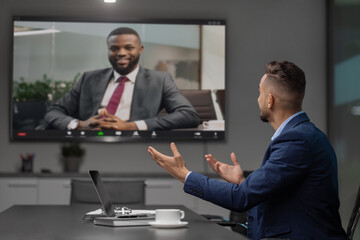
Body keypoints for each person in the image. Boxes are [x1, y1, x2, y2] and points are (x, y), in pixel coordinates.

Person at [148, 61, 347, 240]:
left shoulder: (297, 140)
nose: (257, 99)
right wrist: (243, 182)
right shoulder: (301, 135)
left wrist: (184, 174)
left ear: (270, 100)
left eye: (259, 93)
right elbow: (276, 191)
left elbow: (241, 198)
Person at [44, 27, 199, 130]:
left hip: (135, 144)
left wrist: (131, 126)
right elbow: (53, 112)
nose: (121, 53)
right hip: (90, 142)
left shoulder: (160, 80)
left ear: (140, 50)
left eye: (129, 47)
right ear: (108, 50)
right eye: (114, 48)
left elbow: (188, 115)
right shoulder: (88, 78)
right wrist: (81, 125)